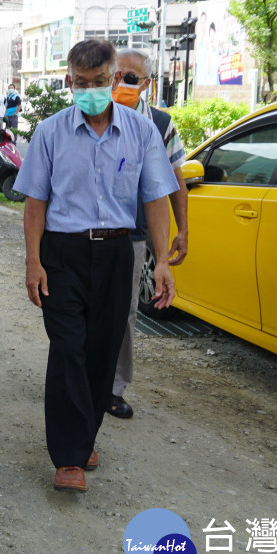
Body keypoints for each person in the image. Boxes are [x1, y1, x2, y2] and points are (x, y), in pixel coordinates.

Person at [16, 38, 178, 493]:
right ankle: (68, 457)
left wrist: (162, 262)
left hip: (115, 253)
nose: (91, 90)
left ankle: (84, 433)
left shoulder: (142, 132)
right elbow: (35, 203)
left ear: (115, 78)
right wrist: (33, 262)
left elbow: (156, 200)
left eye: (100, 81)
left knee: (101, 351)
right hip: (62, 253)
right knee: (68, 347)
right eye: (82, 83)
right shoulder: (50, 132)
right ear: (69, 82)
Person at [106, 49, 189, 420]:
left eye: (130, 78)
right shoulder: (91, 114)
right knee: (79, 308)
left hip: (132, 233)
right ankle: (76, 377)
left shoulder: (159, 124)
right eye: (116, 74)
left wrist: (182, 231)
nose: (120, 83)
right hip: (82, 231)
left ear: (147, 84)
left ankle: (113, 387)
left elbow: (174, 183)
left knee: (124, 313)